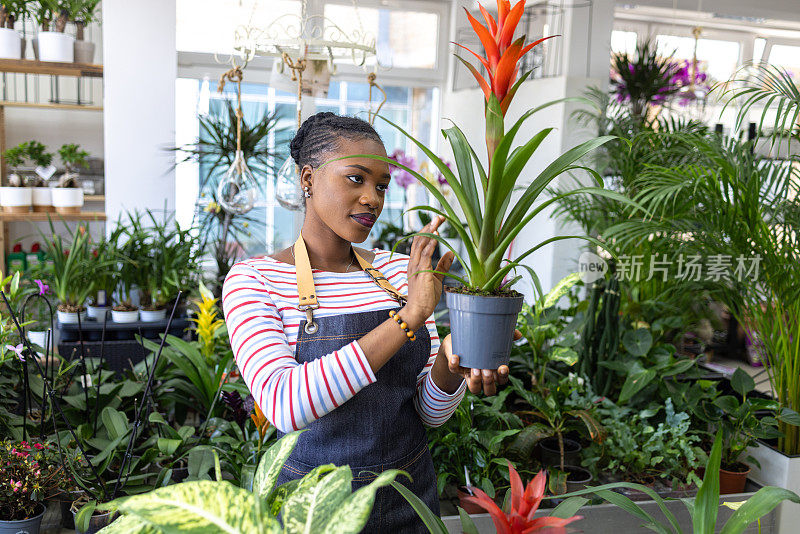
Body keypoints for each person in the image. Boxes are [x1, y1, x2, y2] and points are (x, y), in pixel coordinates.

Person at [221, 112, 515, 532]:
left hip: (409, 497)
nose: (373, 198)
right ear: (308, 179)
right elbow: (286, 405)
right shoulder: (255, 280)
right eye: (355, 179)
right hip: (314, 511)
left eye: (380, 185)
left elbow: (428, 413)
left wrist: (451, 364)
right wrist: (408, 317)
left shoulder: (398, 272)